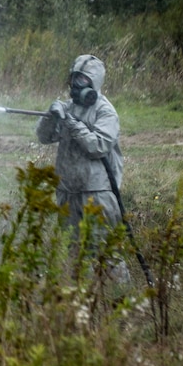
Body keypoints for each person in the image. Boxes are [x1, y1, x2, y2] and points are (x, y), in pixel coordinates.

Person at [36, 54, 130, 281]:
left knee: (107, 253)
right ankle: (83, 302)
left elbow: (97, 145)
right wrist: (51, 117)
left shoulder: (105, 111)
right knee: (74, 251)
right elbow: (44, 137)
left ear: (94, 83)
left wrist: (70, 121)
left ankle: (122, 300)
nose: (76, 86)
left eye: (83, 80)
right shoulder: (68, 107)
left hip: (97, 194)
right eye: (74, 80)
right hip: (68, 191)